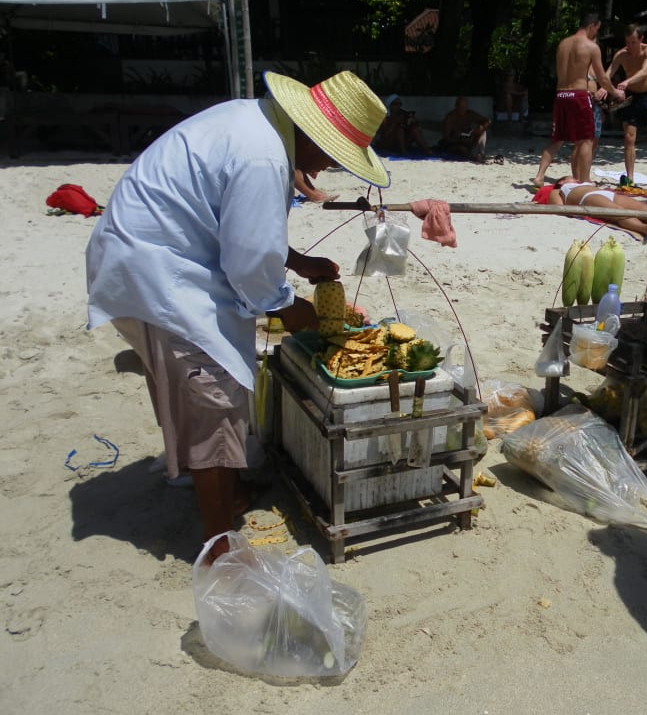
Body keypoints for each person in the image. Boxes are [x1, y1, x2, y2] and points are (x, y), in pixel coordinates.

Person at [85, 70, 390, 563]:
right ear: (313, 134)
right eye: (333, 155)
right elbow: (248, 259)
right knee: (213, 396)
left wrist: (295, 262)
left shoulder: (254, 124)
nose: (328, 166)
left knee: (197, 392)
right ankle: (218, 542)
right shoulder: (264, 155)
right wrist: (291, 308)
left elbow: (236, 222)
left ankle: (220, 485)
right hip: (159, 275)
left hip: (144, 259)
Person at [532, 12, 624, 187]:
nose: (596, 33)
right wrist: (615, 92)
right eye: (597, 29)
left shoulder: (563, 44)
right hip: (579, 96)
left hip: (560, 95)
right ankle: (584, 180)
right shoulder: (591, 47)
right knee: (586, 139)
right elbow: (602, 78)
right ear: (592, 26)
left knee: (557, 138)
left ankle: (539, 176)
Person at [537, 175, 647, 238]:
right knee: (619, 213)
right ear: (562, 181)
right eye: (571, 178)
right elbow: (559, 209)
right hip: (586, 197)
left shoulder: (581, 183)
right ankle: (644, 229)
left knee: (646, 209)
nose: (575, 179)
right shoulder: (559, 189)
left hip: (605, 194)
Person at [606, 23, 647, 188]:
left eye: (633, 42)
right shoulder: (622, 55)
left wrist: (626, 81)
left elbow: (645, 71)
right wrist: (604, 87)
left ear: (641, 39)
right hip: (631, 98)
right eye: (627, 42)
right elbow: (609, 72)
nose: (630, 46)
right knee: (629, 138)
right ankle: (630, 177)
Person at [532, 64, 606, 187]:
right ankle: (580, 178)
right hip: (581, 101)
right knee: (581, 141)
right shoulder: (579, 60)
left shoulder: (592, 61)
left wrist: (602, 96)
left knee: (591, 141)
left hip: (592, 104)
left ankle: (578, 176)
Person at [437, 96, 490, 162]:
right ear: (456, 106)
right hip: (454, 144)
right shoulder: (450, 118)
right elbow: (446, 138)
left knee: (483, 132)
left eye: (465, 107)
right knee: (462, 148)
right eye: (461, 107)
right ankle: (473, 158)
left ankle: (480, 153)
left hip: (468, 141)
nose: (463, 109)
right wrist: (457, 139)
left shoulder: (470, 114)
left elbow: (487, 121)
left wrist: (481, 127)